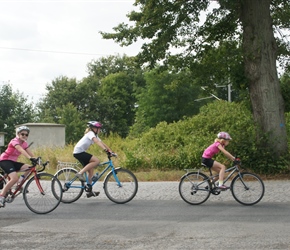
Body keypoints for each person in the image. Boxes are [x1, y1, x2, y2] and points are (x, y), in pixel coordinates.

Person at [73, 121, 114, 198]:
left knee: (91, 171)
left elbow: (102, 143)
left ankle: (89, 191)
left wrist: (110, 151)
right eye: (99, 128)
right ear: (94, 128)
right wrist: (105, 150)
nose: (100, 130)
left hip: (80, 152)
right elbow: (97, 142)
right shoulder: (90, 133)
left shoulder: (95, 135)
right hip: (78, 152)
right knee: (96, 161)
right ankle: (80, 173)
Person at [0, 126, 38, 207]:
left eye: (26, 135)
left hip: (13, 162)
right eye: (22, 134)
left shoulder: (24, 143)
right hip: (5, 160)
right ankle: (1, 196)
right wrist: (30, 158)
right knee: (14, 178)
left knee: (29, 167)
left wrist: (37, 160)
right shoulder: (14, 141)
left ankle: (19, 183)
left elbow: (30, 153)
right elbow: (21, 150)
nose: (24, 136)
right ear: (18, 134)